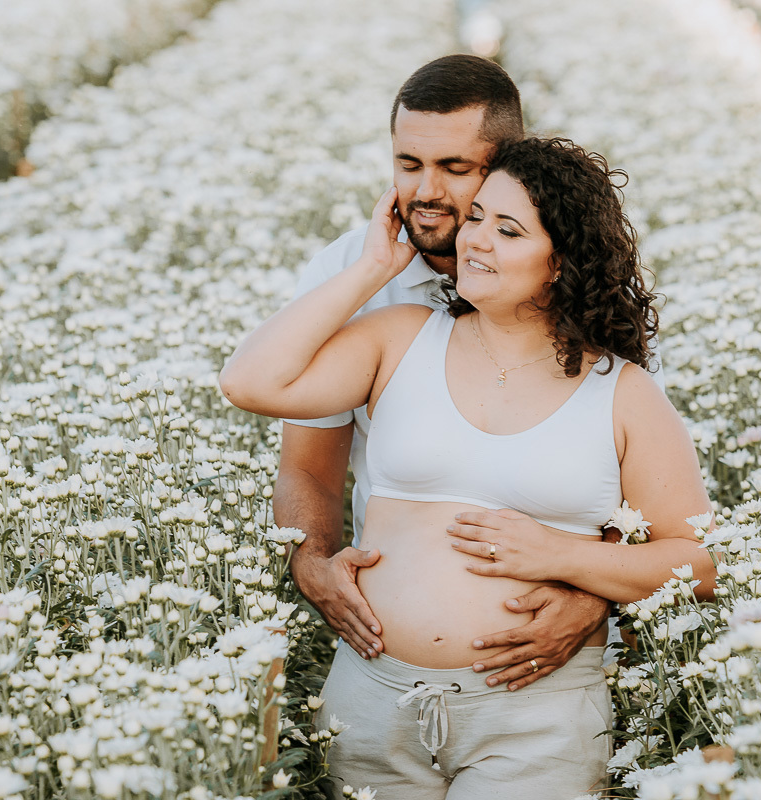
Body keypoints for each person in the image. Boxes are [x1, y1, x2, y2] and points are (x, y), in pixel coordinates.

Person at [220, 136, 716, 798]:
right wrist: (372, 267)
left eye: (508, 230)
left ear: (561, 262)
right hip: (371, 702)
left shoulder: (622, 391)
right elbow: (250, 382)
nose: (475, 239)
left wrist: (561, 557)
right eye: (476, 217)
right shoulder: (399, 336)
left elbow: (697, 564)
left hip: (533, 715)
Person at [275, 55, 657, 695]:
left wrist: (595, 597)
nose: (425, 191)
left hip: (548, 666)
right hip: (386, 666)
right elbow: (306, 463)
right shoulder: (352, 274)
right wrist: (312, 565)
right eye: (407, 164)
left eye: (455, 169)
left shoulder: (585, 279)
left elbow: (634, 483)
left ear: (509, 165)